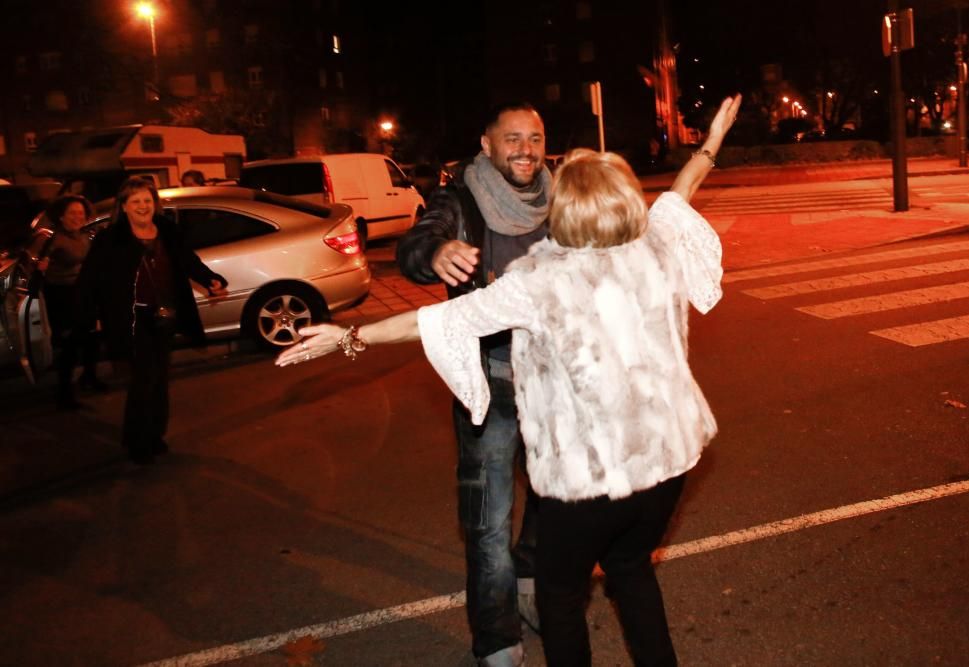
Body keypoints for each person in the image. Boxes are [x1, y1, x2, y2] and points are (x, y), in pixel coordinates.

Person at [280, 95, 742, 665]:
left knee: (559, 594)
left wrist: (348, 337)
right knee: (630, 570)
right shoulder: (656, 246)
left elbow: (437, 320)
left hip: (590, 479)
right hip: (666, 464)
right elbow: (680, 192)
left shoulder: (542, 281)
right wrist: (712, 141)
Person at [395, 102, 551, 665]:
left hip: (554, 378)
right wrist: (436, 251)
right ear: (486, 145)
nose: (526, 149)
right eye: (513, 138)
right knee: (488, 522)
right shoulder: (458, 199)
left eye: (534, 137)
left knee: (552, 495)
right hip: (490, 379)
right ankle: (498, 640)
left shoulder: (560, 196)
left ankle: (531, 580)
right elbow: (413, 245)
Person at [76, 176, 227, 465]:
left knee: (159, 378)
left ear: (153, 203)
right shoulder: (112, 238)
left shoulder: (167, 230)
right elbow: (91, 280)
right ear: (124, 206)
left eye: (147, 200)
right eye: (136, 201)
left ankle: (155, 434)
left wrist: (210, 279)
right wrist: (91, 315)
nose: (143, 206)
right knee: (143, 378)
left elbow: (188, 260)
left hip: (164, 315)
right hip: (131, 318)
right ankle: (137, 441)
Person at [36, 195, 106, 409]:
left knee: (92, 338)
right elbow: (38, 265)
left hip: (83, 293)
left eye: (81, 213)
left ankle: (89, 377)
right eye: (72, 213)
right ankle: (64, 394)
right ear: (61, 216)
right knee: (70, 345)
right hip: (62, 296)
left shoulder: (86, 235)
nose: (77, 217)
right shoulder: (52, 239)